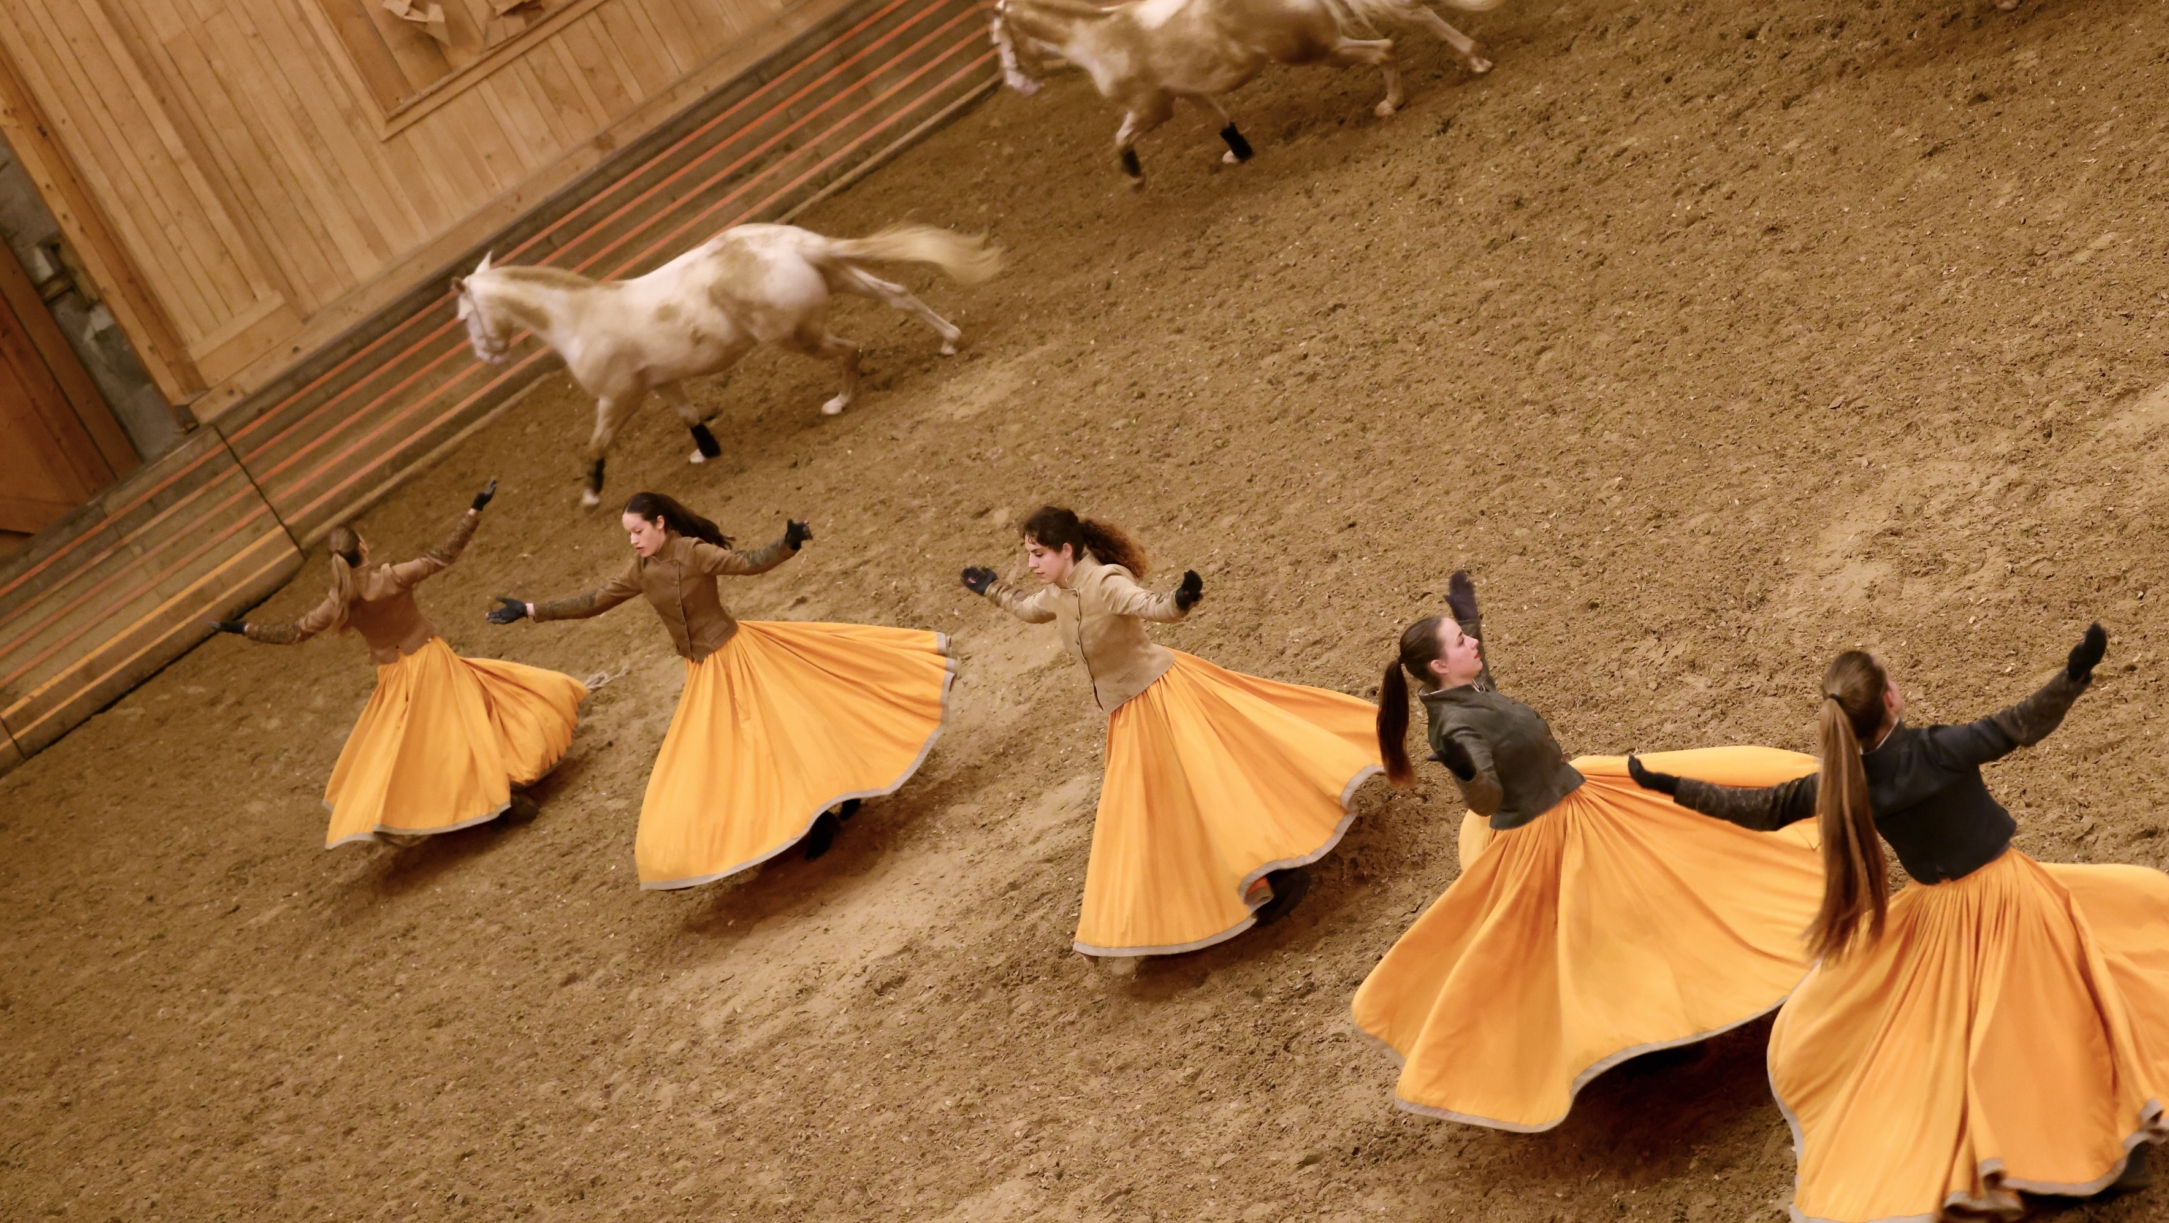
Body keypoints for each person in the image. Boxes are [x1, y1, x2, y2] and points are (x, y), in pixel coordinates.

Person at [1627, 625, 2169, 1220]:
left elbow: (1761, 809)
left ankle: (2012, 1156)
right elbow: (2022, 723)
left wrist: (1672, 787)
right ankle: (2109, 1146)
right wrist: (2074, 676)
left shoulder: (1845, 786)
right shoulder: (1937, 749)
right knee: (2058, 1015)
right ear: (1892, 700)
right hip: (2008, 896)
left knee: (1969, 1043)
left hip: (1939, 920)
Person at [1351, 572, 1827, 1132]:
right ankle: (1648, 1031)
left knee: (1627, 906)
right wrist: (1463, 770)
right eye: (1460, 641)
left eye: (1464, 635)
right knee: (1607, 920)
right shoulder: (1453, 727)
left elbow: (1489, 693)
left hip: (1574, 796)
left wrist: (1471, 620)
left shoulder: (1460, 692)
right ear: (1439, 667)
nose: (1472, 644)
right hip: (1547, 829)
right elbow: (1485, 799)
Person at [961, 505, 1379, 956]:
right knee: (1180, 802)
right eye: (1028, 554)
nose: (1031, 563)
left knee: (1204, 790)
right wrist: (993, 590)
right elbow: (1027, 609)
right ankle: (1254, 875)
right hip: (1129, 711)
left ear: (1067, 550)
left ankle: (1269, 875)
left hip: (1161, 699)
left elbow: (1150, 606)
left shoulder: (1103, 583)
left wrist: (1180, 601)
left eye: (1038, 553)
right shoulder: (1060, 593)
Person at [487, 491, 950, 889]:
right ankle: (833, 799)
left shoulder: (693, 551)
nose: (632, 540)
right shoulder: (641, 569)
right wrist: (529, 609)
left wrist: (787, 543)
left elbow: (746, 563)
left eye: (636, 531)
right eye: (628, 534)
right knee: (761, 742)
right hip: (704, 671)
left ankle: (824, 814)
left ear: (659, 524)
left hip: (737, 656)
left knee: (776, 736)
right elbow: (592, 602)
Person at [215, 480, 583, 848]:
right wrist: (475, 509)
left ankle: (445, 805)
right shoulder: (392, 578)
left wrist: (243, 628)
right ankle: (498, 796)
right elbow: (444, 554)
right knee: (467, 725)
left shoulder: (340, 601)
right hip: (431, 661)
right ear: (363, 547)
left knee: (411, 745)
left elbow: (293, 632)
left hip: (394, 675)